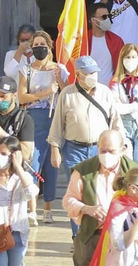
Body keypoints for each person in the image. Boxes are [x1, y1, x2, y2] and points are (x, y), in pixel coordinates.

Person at [50, 57, 123, 186]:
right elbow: (57, 124)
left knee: (98, 189)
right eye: (89, 73)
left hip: (100, 149)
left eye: (94, 73)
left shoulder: (105, 92)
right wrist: (55, 149)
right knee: (76, 188)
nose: (92, 76)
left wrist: (121, 148)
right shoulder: (67, 94)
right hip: (74, 150)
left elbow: (116, 122)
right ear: (78, 74)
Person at [108, 43, 138, 170]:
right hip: (122, 127)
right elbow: (114, 108)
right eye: (127, 57)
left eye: (133, 57)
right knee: (126, 170)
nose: (131, 60)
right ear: (122, 59)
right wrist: (136, 106)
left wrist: (130, 110)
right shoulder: (115, 82)